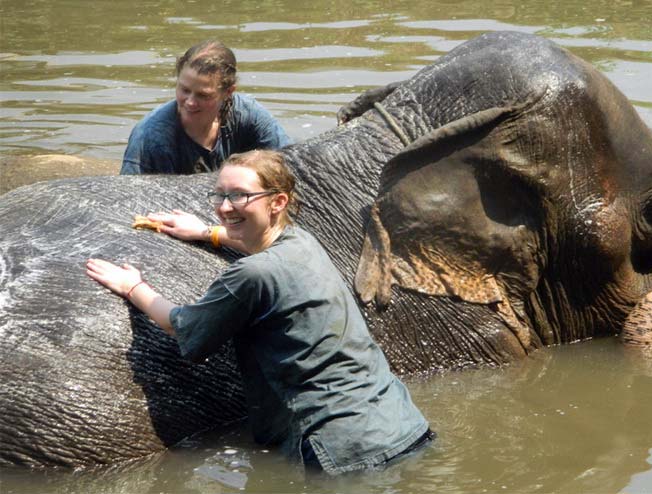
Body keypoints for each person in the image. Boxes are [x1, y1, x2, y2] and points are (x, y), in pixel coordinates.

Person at [87, 149, 433, 474]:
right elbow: (257, 238)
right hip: (403, 423)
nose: (224, 206)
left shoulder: (251, 274)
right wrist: (207, 233)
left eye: (239, 195)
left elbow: (183, 326)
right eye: (220, 195)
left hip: (343, 450)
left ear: (278, 201)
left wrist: (133, 287)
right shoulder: (303, 242)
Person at [120, 40, 292, 175]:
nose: (190, 102)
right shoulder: (150, 137)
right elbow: (126, 200)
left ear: (228, 92)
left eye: (203, 95)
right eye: (184, 90)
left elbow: (290, 164)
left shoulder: (248, 116)